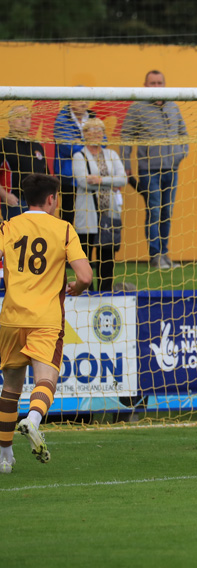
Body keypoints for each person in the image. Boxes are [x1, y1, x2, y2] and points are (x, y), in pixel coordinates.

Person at [0, 174, 93, 474]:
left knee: (11, 387)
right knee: (46, 381)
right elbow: (86, 276)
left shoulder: (9, 226)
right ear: (52, 199)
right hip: (45, 319)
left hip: (11, 317)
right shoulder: (63, 229)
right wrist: (77, 288)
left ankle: (4, 457)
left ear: (26, 198)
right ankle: (34, 419)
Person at [120, 70, 189, 270]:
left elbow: (184, 133)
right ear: (145, 85)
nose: (156, 86)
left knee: (167, 212)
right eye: (153, 83)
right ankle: (155, 255)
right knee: (155, 211)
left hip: (172, 169)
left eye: (160, 83)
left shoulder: (173, 106)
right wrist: (126, 165)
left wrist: (180, 154)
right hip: (148, 170)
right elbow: (126, 136)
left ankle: (165, 253)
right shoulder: (137, 108)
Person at [72, 118, 128, 292]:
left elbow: (123, 179)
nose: (96, 133)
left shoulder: (111, 154)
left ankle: (105, 292)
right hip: (88, 212)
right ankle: (87, 292)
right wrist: (110, 182)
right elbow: (83, 182)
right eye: (91, 130)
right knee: (86, 255)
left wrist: (100, 179)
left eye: (99, 130)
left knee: (107, 257)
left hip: (109, 213)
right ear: (85, 134)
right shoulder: (79, 156)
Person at [1, 105, 48, 221]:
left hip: (38, 204)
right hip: (15, 203)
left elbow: (45, 175)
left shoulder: (36, 146)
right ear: (10, 121)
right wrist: (5, 195)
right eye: (19, 117)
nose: (23, 121)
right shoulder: (3, 144)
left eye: (27, 118)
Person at [53, 99, 94, 225]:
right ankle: (66, 243)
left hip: (91, 173)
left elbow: (102, 143)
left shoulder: (93, 118)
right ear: (71, 101)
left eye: (86, 100)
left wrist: (79, 142)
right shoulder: (61, 120)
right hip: (69, 176)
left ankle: (84, 245)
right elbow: (67, 147)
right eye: (79, 100)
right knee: (68, 214)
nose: (84, 103)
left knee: (90, 215)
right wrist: (89, 145)